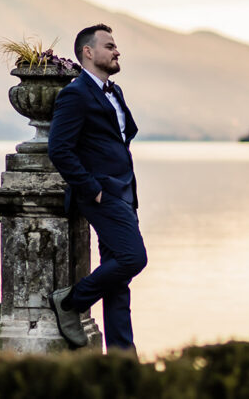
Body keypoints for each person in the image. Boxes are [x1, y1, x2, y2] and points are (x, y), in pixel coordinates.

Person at [47, 23, 147, 351]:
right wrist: (92, 188)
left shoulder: (114, 92)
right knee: (133, 258)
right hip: (102, 194)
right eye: (110, 46)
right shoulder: (75, 94)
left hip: (125, 192)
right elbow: (59, 148)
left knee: (118, 280)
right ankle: (71, 302)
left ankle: (122, 362)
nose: (117, 51)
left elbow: (121, 135)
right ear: (88, 53)